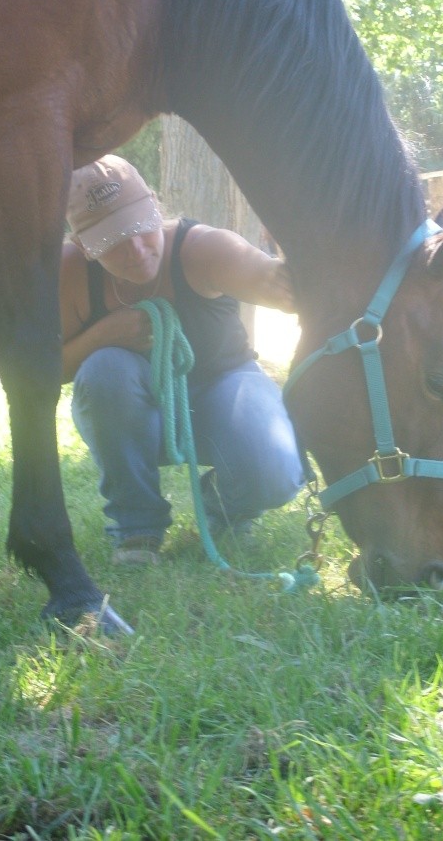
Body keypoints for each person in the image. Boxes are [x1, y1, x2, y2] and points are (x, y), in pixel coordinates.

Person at [61, 155, 306, 564]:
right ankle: (136, 527)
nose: (135, 249)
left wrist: (298, 245)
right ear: (83, 246)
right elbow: (36, 372)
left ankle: (226, 505)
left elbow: (277, 285)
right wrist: (103, 337)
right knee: (103, 371)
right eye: (111, 240)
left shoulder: (204, 248)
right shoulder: (69, 276)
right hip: (134, 415)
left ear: (155, 206)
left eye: (140, 226)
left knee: (276, 473)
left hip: (224, 385)